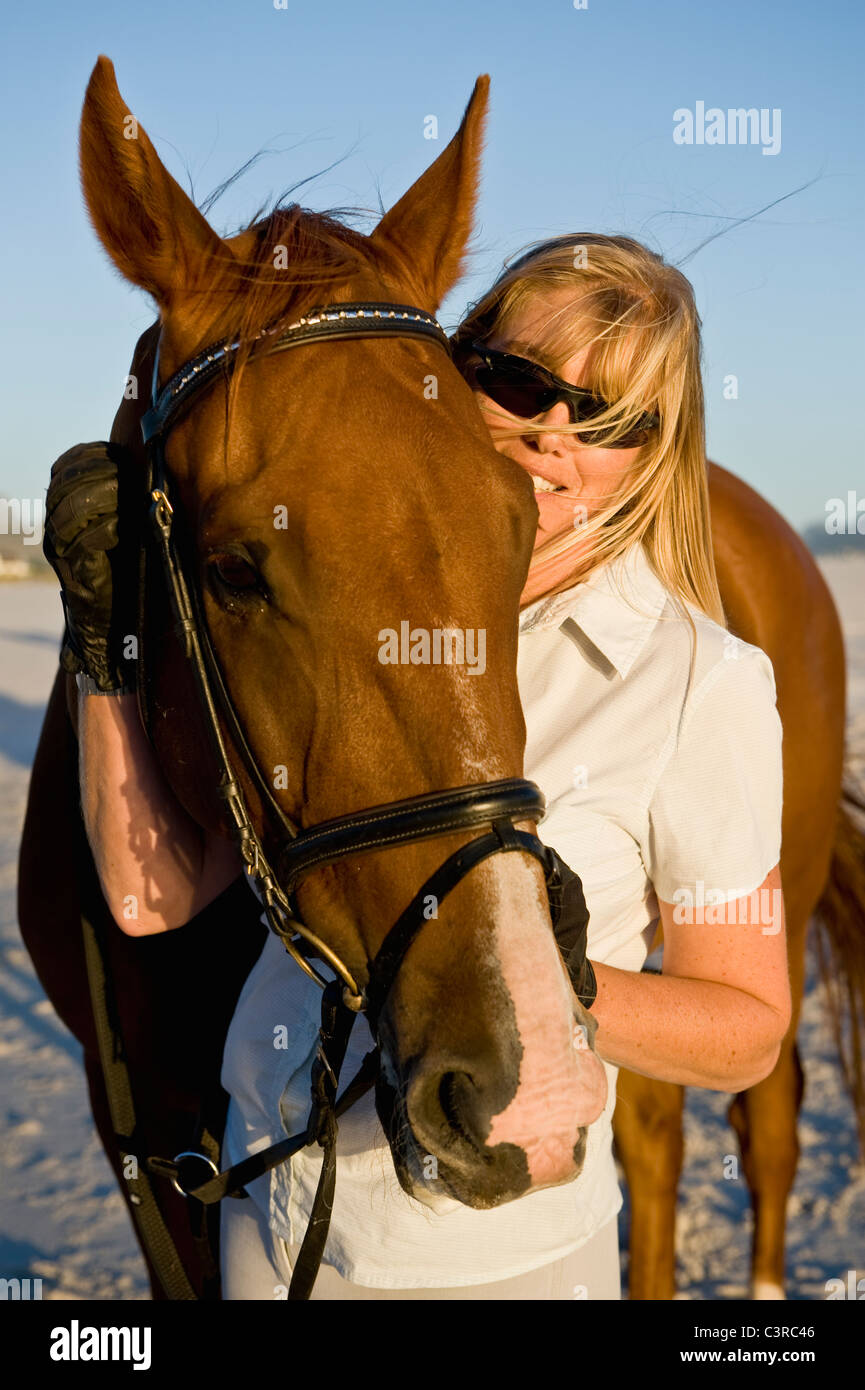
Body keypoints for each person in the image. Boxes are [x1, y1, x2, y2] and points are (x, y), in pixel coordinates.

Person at [43, 232, 790, 1301]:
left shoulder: (697, 680)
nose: (551, 432)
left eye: (612, 418)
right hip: (276, 1206)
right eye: (514, 379)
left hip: (504, 1256)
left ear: (658, 452)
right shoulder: (351, 614)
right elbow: (154, 895)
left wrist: (549, 981)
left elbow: (749, 1031)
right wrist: (103, 648)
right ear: (447, 370)